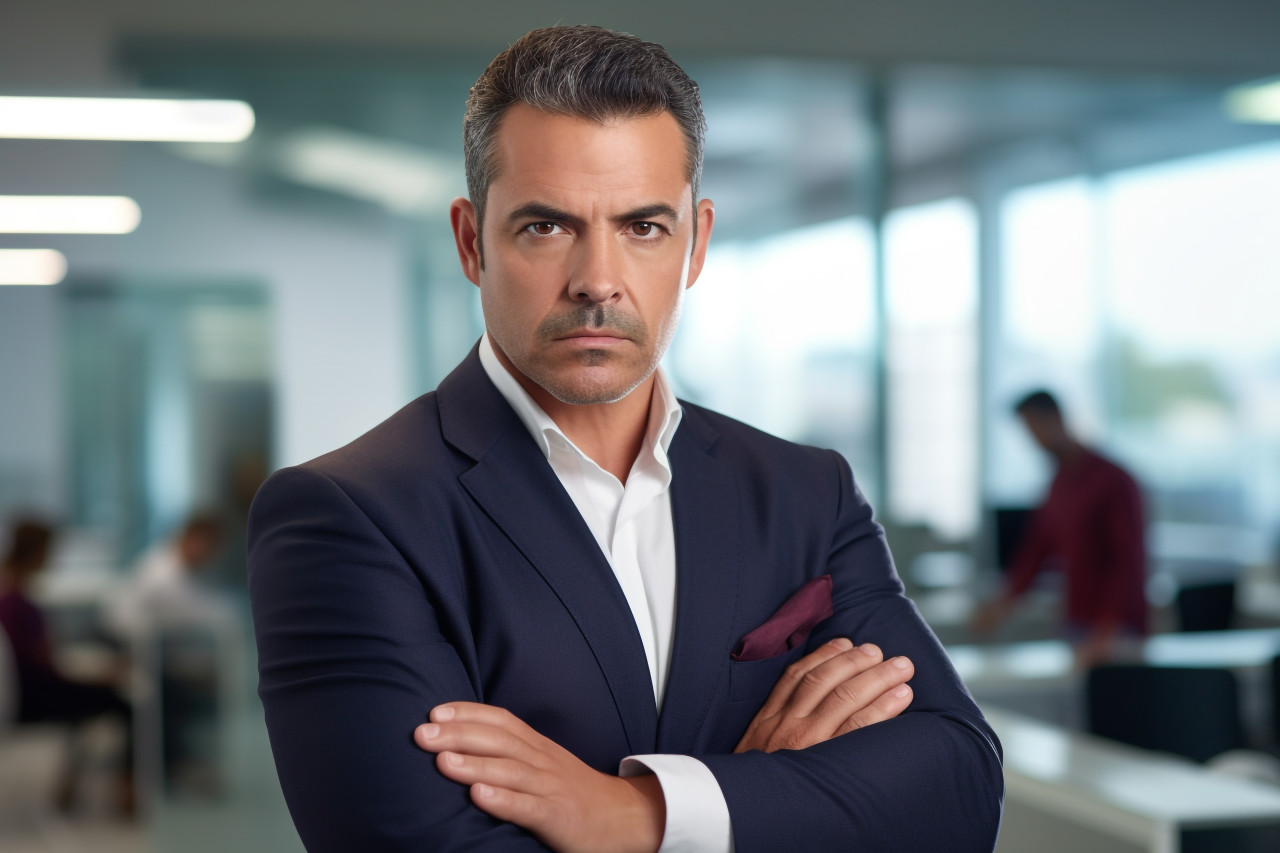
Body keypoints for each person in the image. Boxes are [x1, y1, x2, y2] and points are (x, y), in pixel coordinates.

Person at [248, 25, 1003, 853]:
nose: (597, 280)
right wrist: (764, 807)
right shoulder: (351, 515)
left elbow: (957, 786)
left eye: (644, 226)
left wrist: (639, 811)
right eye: (546, 227)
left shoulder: (804, 491)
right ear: (472, 242)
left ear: (697, 241)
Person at [972, 389, 1148, 668]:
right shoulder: (1058, 483)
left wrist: (1109, 628)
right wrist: (1002, 604)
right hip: (1077, 621)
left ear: (1055, 419)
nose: (1034, 440)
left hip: (1115, 631)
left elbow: (1128, 562)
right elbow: (1037, 550)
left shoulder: (1113, 480)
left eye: (1034, 428)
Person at [0, 517, 134, 813]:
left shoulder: (12, 594)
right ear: (37, 552)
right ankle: (128, 795)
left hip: (25, 691)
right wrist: (97, 676)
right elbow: (42, 666)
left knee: (86, 704)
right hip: (28, 697)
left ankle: (69, 786)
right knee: (121, 704)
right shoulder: (16, 602)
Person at [106, 511, 234, 638]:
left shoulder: (178, 563)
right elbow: (194, 611)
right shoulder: (161, 572)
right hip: (125, 642)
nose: (210, 556)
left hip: (149, 641)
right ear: (192, 538)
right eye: (209, 547)